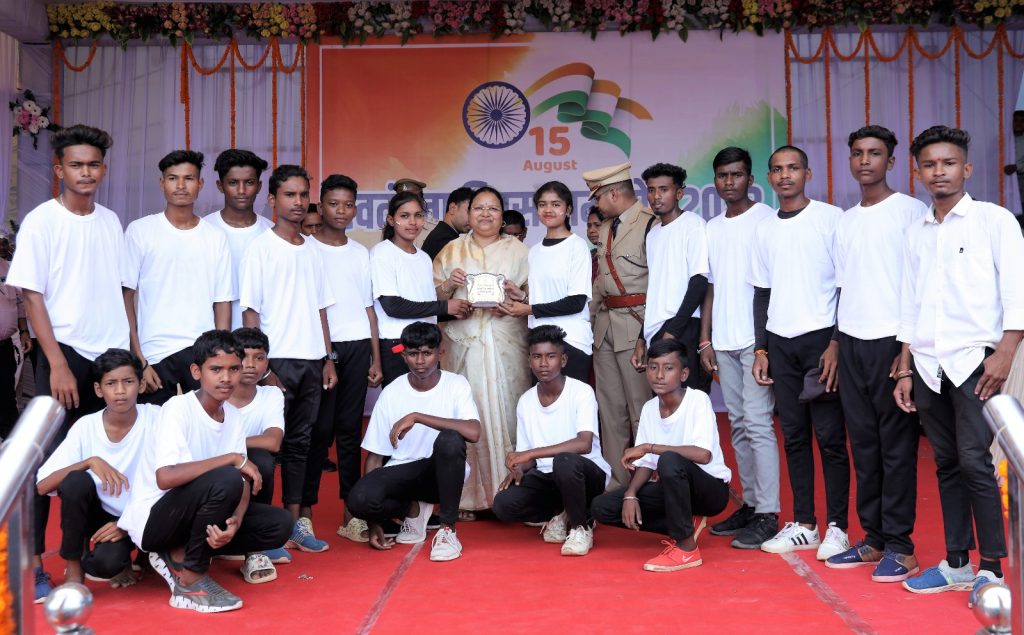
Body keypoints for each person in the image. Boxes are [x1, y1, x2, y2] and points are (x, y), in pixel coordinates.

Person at [896, 126, 1024, 601]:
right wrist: (905, 367)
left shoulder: (994, 220)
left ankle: (991, 568)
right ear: (919, 172)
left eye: (948, 163)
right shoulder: (916, 231)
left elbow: (1017, 289)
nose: (939, 172)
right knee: (947, 462)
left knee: (975, 461)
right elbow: (909, 302)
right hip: (927, 362)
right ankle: (956, 563)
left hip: (976, 359)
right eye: (929, 165)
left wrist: (1005, 351)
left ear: (966, 168)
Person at [7, 124, 129, 600]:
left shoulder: (110, 221)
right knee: (46, 465)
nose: (86, 172)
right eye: (76, 165)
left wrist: (130, 354)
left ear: (104, 169)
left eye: (93, 164)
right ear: (59, 169)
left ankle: (95, 556)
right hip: (65, 355)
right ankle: (35, 565)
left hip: (108, 358)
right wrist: (56, 363)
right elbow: (32, 296)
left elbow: (119, 291)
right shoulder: (42, 221)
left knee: (103, 457)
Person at [118, 330, 293, 612]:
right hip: (156, 520)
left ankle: (185, 550)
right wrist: (231, 458)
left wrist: (235, 521)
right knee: (226, 476)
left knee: (279, 523)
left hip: (198, 513)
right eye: (216, 369)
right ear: (196, 372)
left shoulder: (233, 416)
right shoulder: (178, 408)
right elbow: (166, 477)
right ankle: (190, 580)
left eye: (233, 369)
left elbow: (242, 481)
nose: (226, 377)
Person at [824, 126, 928, 582]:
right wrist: (835, 342)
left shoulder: (911, 212)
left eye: (874, 153)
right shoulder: (845, 221)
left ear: (891, 161)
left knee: (896, 448)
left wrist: (906, 352)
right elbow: (844, 287)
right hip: (852, 343)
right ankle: (875, 539)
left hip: (892, 342)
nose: (865, 160)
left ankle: (902, 548)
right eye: (857, 153)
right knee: (864, 445)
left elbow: (919, 286)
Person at [749, 145, 851, 560]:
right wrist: (761, 348)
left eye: (793, 168)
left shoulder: (831, 218)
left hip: (821, 341)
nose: (785, 175)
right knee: (793, 437)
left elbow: (847, 286)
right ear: (769, 178)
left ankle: (838, 527)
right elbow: (762, 293)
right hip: (780, 342)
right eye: (777, 169)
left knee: (830, 438)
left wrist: (836, 342)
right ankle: (805, 524)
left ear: (808, 173)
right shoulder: (764, 229)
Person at [239, 164, 338, 553]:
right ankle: (263, 533)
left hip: (312, 361)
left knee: (302, 445)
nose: (298, 202)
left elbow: (321, 308)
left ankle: (295, 525)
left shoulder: (313, 249)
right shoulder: (260, 249)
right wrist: (261, 369)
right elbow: (250, 314)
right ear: (272, 199)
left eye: (302, 194)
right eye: (289, 194)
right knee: (265, 451)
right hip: (275, 364)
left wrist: (328, 358)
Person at [591, 338, 731, 571]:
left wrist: (649, 446)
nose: (659, 375)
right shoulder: (649, 408)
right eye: (653, 367)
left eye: (668, 368)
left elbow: (703, 455)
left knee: (669, 460)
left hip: (709, 490)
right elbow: (646, 464)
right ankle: (685, 524)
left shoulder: (698, 400)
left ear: (683, 374)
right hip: (673, 489)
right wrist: (631, 495)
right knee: (602, 506)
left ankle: (686, 549)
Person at [346, 322, 481, 561]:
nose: (420, 361)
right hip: (403, 473)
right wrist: (374, 523)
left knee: (450, 439)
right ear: (403, 355)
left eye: (427, 353)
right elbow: (375, 457)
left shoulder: (456, 384)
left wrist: (418, 417)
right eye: (413, 354)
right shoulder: (392, 392)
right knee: (358, 499)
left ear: (440, 353)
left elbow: (473, 431)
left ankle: (447, 529)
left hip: (439, 473)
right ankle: (414, 509)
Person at [434, 186, 531, 515]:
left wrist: (519, 297)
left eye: (493, 208)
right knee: (467, 412)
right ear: (468, 213)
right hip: (463, 344)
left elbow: (535, 299)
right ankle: (467, 497)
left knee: (510, 411)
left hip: (507, 344)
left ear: (502, 216)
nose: (486, 214)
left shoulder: (519, 251)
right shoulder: (451, 250)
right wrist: (449, 287)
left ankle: (515, 493)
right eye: (479, 208)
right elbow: (431, 298)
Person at [701, 147, 780, 549]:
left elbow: (773, 286)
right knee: (738, 424)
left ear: (751, 179)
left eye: (736, 175)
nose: (729, 182)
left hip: (756, 341)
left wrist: (765, 346)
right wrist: (706, 338)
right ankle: (750, 505)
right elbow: (711, 287)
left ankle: (768, 512)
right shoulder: (712, 228)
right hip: (724, 341)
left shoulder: (767, 220)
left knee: (758, 423)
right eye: (722, 175)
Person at [36, 349, 158, 590]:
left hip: (145, 514)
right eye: (111, 384)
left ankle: (146, 556)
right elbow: (42, 485)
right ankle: (75, 567)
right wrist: (89, 462)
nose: (120, 391)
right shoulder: (86, 426)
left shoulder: (158, 418)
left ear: (141, 384)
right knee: (76, 481)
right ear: (98, 390)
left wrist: (127, 523)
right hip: (102, 517)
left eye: (128, 382)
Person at [122, 150, 234, 405]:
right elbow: (125, 298)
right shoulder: (140, 231)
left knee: (207, 427)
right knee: (155, 427)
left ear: (200, 184)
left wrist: (219, 360)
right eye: (173, 178)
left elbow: (222, 302)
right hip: (154, 356)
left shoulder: (215, 237)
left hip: (203, 355)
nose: (181, 185)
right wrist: (139, 359)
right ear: (162, 183)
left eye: (189, 178)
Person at [306, 174, 383, 542]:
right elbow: (313, 307)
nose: (341, 210)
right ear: (320, 206)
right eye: (333, 203)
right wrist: (326, 355)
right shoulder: (306, 249)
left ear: (355, 209)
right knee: (319, 431)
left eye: (347, 204)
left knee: (351, 431)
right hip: (322, 348)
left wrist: (375, 357)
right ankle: (303, 513)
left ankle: (351, 513)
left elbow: (369, 309)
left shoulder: (359, 252)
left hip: (357, 346)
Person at [492, 325, 611, 556]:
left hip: (586, 475)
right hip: (548, 477)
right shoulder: (526, 401)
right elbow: (528, 457)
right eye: (537, 357)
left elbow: (584, 444)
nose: (544, 363)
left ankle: (581, 527)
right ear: (529, 361)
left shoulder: (581, 392)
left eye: (551, 356)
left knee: (564, 461)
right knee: (503, 505)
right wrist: (518, 467)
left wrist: (532, 454)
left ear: (563, 360)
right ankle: (559, 513)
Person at [586, 162, 655, 489]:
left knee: (641, 410)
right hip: (605, 329)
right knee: (610, 412)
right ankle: (617, 483)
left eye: (599, 197)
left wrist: (647, 334)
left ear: (614, 193)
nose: (597, 204)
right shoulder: (606, 228)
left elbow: (660, 283)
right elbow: (601, 285)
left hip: (635, 326)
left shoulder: (650, 224)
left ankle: (647, 483)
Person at [371, 191, 470, 386]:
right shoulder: (382, 253)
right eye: (404, 216)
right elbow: (393, 306)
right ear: (391, 220)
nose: (412, 222)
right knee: (401, 403)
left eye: (418, 215)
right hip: (398, 345)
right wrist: (445, 307)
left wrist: (452, 294)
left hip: (428, 343)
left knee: (428, 402)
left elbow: (427, 303)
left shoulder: (423, 257)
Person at [500, 181, 593, 382]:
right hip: (539, 342)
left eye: (555, 204)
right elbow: (544, 297)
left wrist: (528, 309)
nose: (548, 210)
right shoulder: (534, 251)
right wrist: (522, 296)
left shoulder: (577, 246)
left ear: (568, 209)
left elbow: (576, 302)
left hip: (570, 342)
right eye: (542, 205)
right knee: (543, 401)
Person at [633, 163, 710, 393]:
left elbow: (699, 282)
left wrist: (674, 331)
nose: (656, 196)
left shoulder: (693, 225)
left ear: (679, 193)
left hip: (684, 326)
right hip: (656, 328)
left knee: (687, 400)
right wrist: (641, 338)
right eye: (651, 190)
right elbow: (656, 289)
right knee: (662, 401)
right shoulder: (653, 233)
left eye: (664, 189)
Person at [225, 327, 290, 564]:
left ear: (267, 363)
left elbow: (273, 442)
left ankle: (256, 536)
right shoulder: (216, 393)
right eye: (243, 357)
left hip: (245, 468)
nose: (251, 365)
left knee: (261, 459)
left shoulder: (271, 394)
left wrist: (231, 449)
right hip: (215, 473)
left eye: (259, 358)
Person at [205, 149, 272, 330]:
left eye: (249, 182)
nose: (242, 190)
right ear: (220, 186)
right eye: (233, 182)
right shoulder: (204, 230)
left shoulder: (271, 233)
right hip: (213, 335)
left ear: (259, 186)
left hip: (262, 335)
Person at [0, 252, 29, 438]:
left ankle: (11, 442)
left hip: (5, 347)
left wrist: (24, 330)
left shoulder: (7, 267)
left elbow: (19, 302)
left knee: (7, 395)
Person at [422, 186, 473, 260]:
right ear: (452, 208)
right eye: (469, 212)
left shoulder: (443, 235)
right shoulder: (444, 240)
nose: (472, 219)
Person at [1002, 110, 1024, 216]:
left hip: (1021, 181)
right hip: (1004, 182)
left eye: (1022, 121)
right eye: (1015, 121)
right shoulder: (1003, 139)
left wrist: (1017, 167)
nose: (1018, 124)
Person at [586, 208, 603, 283]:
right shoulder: (590, 255)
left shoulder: (614, 254)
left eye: (597, 225)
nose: (591, 230)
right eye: (589, 226)